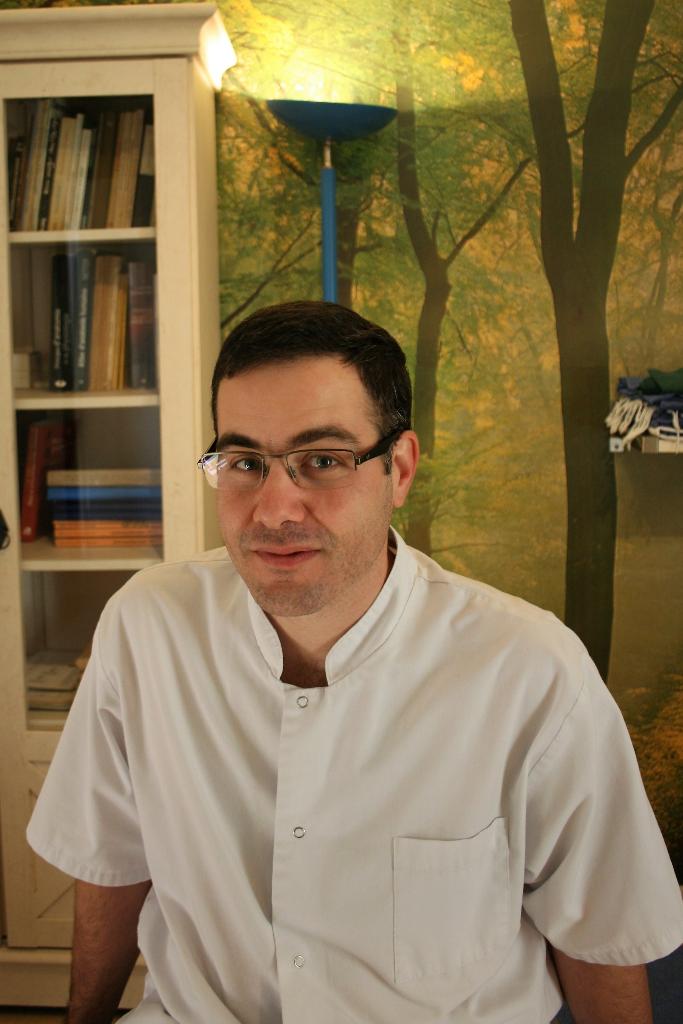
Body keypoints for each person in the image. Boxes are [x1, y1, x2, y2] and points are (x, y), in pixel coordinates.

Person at [28, 301, 683, 1024]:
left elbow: (602, 937)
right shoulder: (147, 627)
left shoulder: (531, 672)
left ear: (398, 469)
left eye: (322, 461)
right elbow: (112, 862)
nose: (274, 509)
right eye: (244, 463)